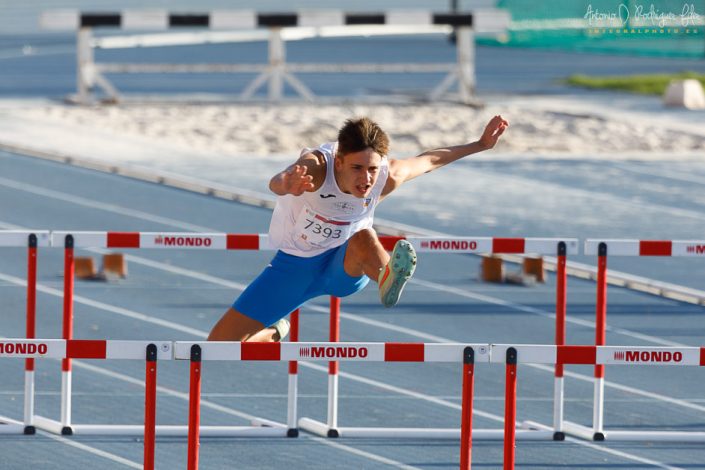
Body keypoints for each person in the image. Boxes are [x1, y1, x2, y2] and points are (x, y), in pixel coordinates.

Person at [208, 115, 509, 342]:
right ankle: (276, 330)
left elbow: (430, 159)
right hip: (295, 266)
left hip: (346, 266)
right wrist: (285, 184)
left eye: (372, 169)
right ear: (339, 161)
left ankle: (387, 276)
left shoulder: (386, 177)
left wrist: (480, 145)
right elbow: (278, 180)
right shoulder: (316, 166)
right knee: (218, 345)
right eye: (357, 168)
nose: (366, 178)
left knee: (363, 235)